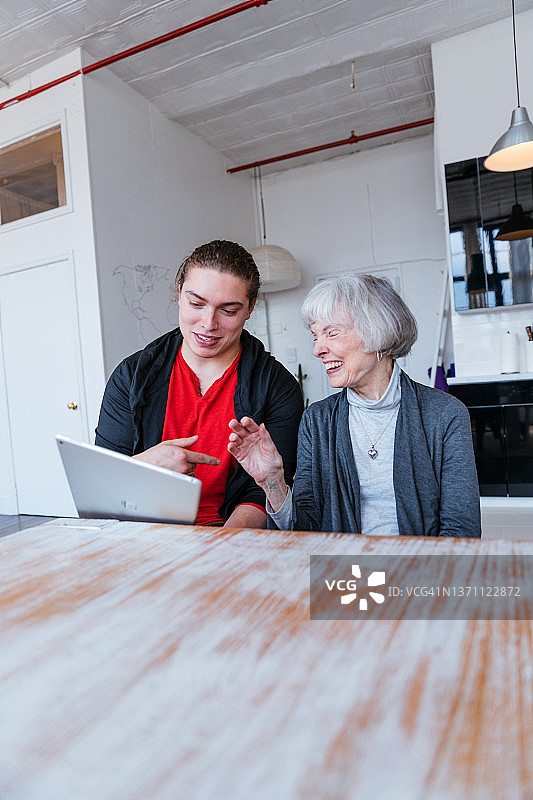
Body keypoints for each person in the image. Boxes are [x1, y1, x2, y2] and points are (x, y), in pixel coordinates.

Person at [228, 273, 481, 537]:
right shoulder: (317, 421)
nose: (317, 349)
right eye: (316, 336)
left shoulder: (445, 415)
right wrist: (273, 483)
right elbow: (305, 531)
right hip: (343, 572)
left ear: (377, 331)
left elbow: (461, 531)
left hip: (419, 572)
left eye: (332, 333)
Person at [95, 240, 304, 528]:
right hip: (145, 534)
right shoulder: (131, 377)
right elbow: (101, 483)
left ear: (250, 308)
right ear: (179, 293)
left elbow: (263, 492)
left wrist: (220, 549)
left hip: (234, 539)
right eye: (196, 303)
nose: (208, 323)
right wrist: (144, 467)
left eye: (228, 310)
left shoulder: (277, 386)